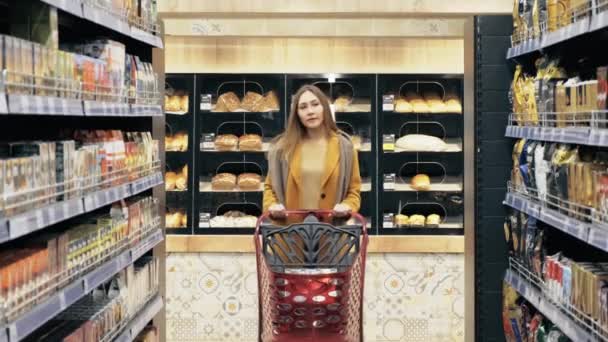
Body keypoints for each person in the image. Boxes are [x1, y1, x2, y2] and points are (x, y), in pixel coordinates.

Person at [263, 84, 361, 219]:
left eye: (315, 104)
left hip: (332, 233)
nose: (310, 111)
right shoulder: (283, 148)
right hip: (291, 233)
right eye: (303, 107)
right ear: (297, 113)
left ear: (324, 108)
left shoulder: (345, 147)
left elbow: (353, 191)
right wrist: (272, 206)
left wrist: (347, 205)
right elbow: (269, 187)